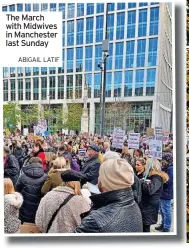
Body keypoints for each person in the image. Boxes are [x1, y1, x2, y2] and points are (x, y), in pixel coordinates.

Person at [74, 158, 143, 233]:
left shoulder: (95, 221)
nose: (98, 178)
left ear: (106, 180)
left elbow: (68, 243)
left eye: (100, 174)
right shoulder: (132, 203)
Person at [140, 158, 169, 232]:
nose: (145, 166)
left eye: (146, 164)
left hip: (149, 207)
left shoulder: (156, 177)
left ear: (151, 166)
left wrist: (142, 183)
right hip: (146, 205)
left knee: (145, 228)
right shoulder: (151, 176)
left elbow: (150, 190)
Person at [15, 157, 47, 224]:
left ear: (29, 164)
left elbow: (17, 190)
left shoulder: (23, 176)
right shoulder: (45, 177)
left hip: (24, 208)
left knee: (24, 228)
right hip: (38, 209)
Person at [155, 153, 173, 232]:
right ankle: (163, 223)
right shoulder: (165, 167)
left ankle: (167, 227)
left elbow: (169, 181)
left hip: (167, 192)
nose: (161, 162)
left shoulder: (170, 169)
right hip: (162, 192)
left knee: (166, 211)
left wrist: (160, 178)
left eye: (163, 160)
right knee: (162, 210)